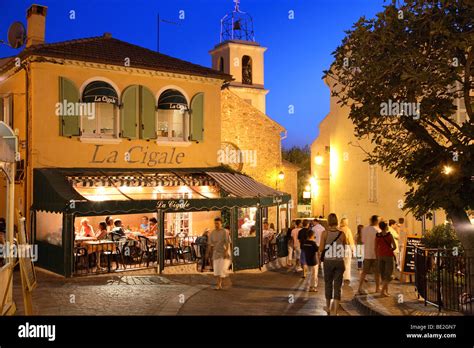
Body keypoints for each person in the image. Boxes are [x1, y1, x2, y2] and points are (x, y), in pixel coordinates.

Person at [320, 213, 346, 315]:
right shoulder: (342, 234)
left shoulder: (324, 233)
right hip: (339, 262)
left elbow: (321, 248)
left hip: (328, 261)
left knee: (328, 283)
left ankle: (328, 307)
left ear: (328, 222)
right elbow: (344, 247)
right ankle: (335, 311)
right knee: (337, 285)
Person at [357, 215, 381, 294]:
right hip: (376, 254)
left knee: (364, 272)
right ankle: (377, 288)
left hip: (367, 253)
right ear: (376, 221)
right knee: (377, 273)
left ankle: (360, 288)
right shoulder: (378, 230)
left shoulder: (364, 230)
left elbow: (363, 240)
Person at [209, 217, 231, 290]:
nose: (216, 225)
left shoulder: (225, 232)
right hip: (216, 253)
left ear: (221, 223)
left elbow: (228, 243)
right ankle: (219, 285)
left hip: (223, 253)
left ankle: (222, 284)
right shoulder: (212, 232)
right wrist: (209, 253)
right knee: (217, 270)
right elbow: (210, 244)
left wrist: (226, 252)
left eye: (217, 223)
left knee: (222, 270)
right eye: (215, 223)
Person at [376, 221, 396, 296]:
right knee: (390, 275)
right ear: (385, 227)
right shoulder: (389, 235)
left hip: (380, 255)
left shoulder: (378, 236)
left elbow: (376, 246)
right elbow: (394, 246)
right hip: (388, 256)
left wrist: (377, 255)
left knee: (383, 274)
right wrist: (390, 249)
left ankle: (385, 292)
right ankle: (382, 292)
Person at [339, 218, 355, 284]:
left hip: (339, 247)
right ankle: (346, 277)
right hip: (346, 247)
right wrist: (353, 249)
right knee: (347, 263)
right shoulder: (348, 230)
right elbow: (351, 240)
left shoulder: (338, 229)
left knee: (340, 263)